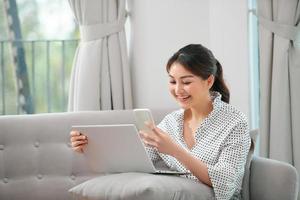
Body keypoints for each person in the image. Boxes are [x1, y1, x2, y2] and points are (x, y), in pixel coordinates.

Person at [70, 44, 251, 200]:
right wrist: (92, 147)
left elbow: (226, 184)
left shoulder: (234, 122)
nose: (178, 90)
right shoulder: (171, 122)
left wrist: (176, 151)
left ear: (209, 81)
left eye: (186, 82)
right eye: (172, 81)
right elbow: (135, 163)